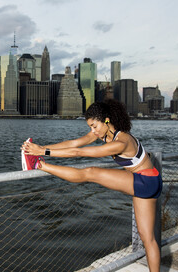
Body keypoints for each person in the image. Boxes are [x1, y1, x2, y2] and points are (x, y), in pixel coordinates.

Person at [21, 99, 162, 272]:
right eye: (90, 127)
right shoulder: (102, 133)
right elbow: (74, 144)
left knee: (90, 173)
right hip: (149, 180)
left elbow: (78, 152)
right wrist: (41, 147)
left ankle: (38, 165)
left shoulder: (122, 142)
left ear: (107, 120)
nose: (92, 131)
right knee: (147, 238)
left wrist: (43, 153)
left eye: (94, 126)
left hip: (145, 181)